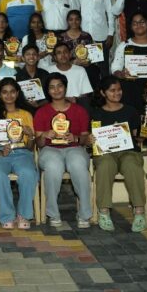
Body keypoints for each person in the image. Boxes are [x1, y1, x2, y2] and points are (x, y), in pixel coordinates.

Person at [111, 11, 147, 181]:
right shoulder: (124, 46)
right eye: (135, 23)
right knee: (133, 129)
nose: (139, 25)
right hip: (130, 92)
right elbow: (114, 68)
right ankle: (132, 166)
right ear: (130, 26)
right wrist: (121, 73)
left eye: (142, 21)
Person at [34, 73, 92, 228]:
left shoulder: (79, 111)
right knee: (53, 166)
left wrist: (76, 138)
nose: (56, 90)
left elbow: (85, 138)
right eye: (52, 87)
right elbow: (39, 143)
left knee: (78, 164)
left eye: (59, 86)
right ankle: (53, 213)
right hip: (49, 149)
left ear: (65, 87)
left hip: (74, 148)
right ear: (48, 91)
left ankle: (85, 214)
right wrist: (44, 135)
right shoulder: (41, 112)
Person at [90, 76, 147, 232]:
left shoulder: (130, 111)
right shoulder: (96, 114)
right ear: (103, 93)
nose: (117, 93)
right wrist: (89, 139)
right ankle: (103, 211)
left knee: (132, 164)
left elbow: (137, 136)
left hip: (128, 151)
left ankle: (139, 211)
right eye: (112, 90)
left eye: (119, 90)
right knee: (105, 165)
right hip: (105, 153)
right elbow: (92, 139)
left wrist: (143, 134)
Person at [0, 78, 38, 229]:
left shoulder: (26, 114)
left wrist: (31, 135)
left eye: (12, 92)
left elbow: (30, 147)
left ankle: (24, 214)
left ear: (18, 93)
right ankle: (7, 215)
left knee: (29, 173)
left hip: (22, 152)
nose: (9, 95)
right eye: (4, 92)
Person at [74, 0, 114, 74]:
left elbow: (110, 12)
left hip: (101, 36)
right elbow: (75, 15)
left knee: (103, 69)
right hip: (84, 37)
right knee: (87, 69)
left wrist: (110, 34)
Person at [59, 10, 101, 91]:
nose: (74, 22)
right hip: (69, 68)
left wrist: (88, 62)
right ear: (67, 21)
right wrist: (73, 62)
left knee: (93, 71)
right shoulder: (61, 37)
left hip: (86, 68)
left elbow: (94, 56)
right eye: (71, 19)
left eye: (77, 19)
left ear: (80, 20)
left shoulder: (87, 36)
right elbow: (58, 58)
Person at [15, 44, 49, 110]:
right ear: (23, 58)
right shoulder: (17, 77)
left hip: (43, 110)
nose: (31, 56)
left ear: (38, 57)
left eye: (34, 54)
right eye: (28, 54)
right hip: (24, 112)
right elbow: (16, 99)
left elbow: (50, 96)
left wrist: (38, 105)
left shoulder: (45, 74)